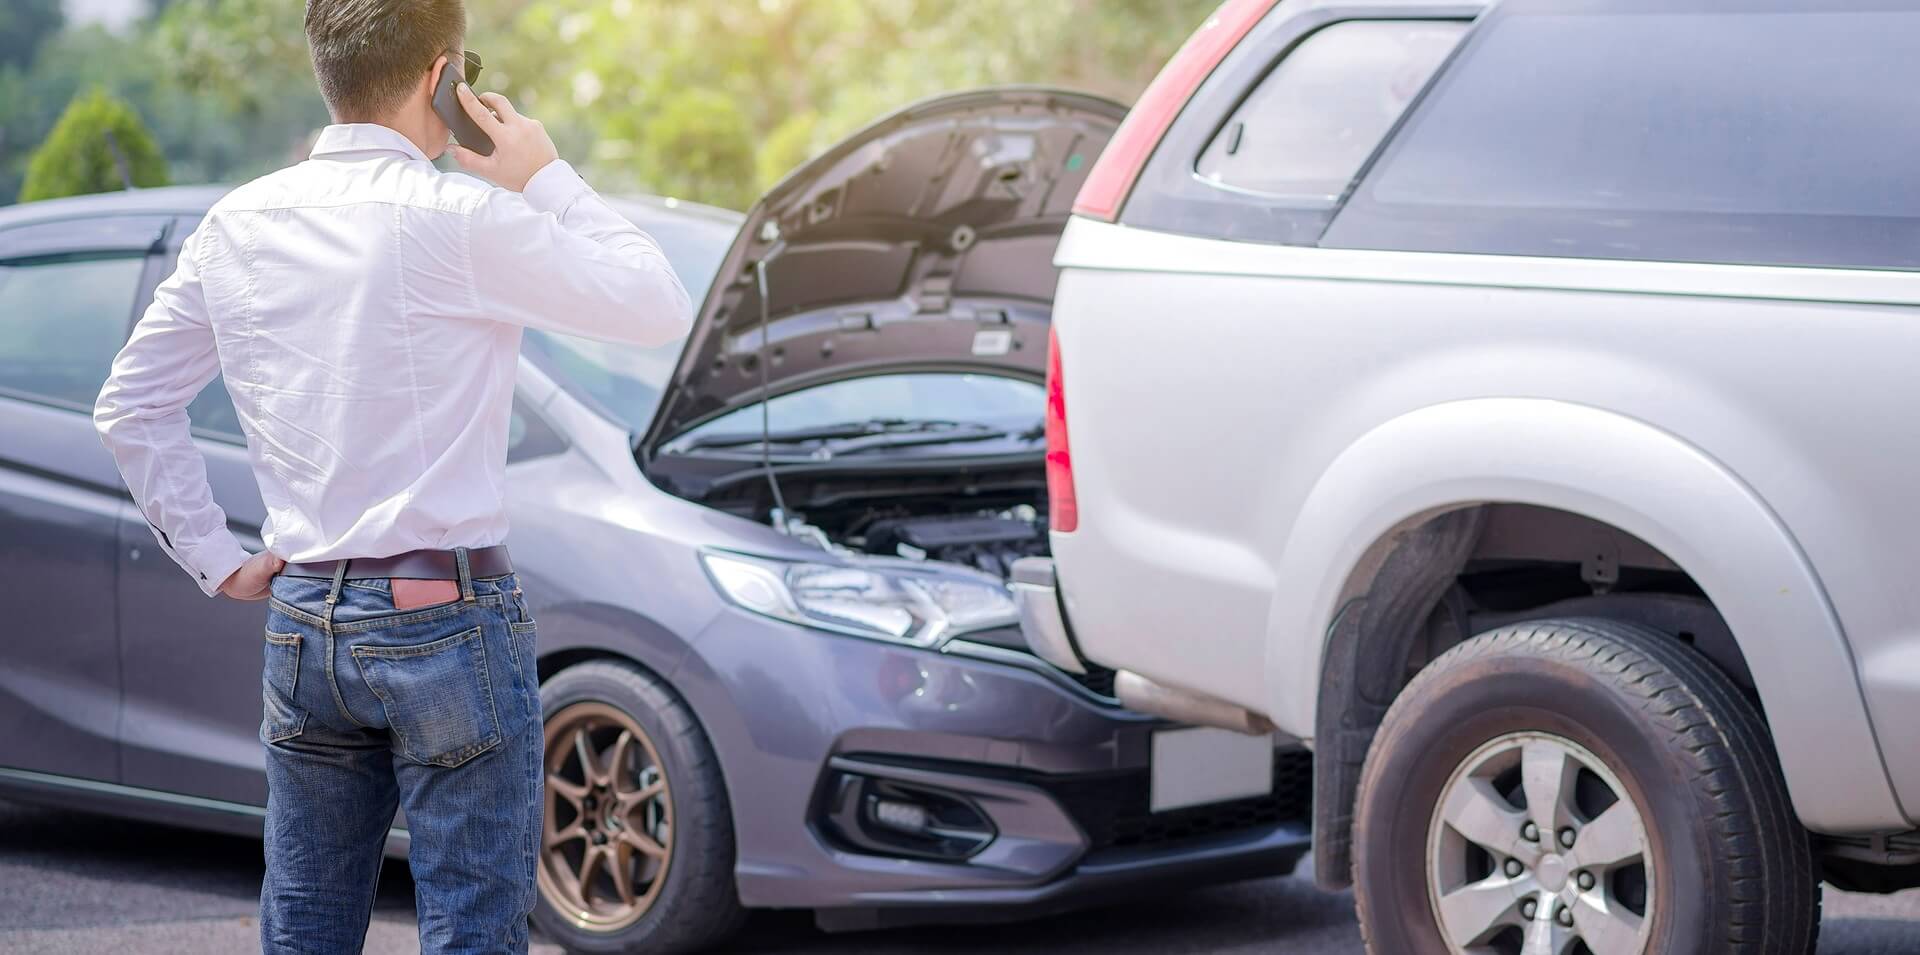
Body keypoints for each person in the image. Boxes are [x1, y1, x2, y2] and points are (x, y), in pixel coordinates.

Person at [91, 0, 692, 951]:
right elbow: (657, 301)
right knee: (471, 930)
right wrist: (544, 176)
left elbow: (129, 405)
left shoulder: (238, 220)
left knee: (306, 926)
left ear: (328, 73)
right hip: (445, 616)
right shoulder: (462, 217)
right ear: (442, 76)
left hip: (304, 621)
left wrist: (217, 557)